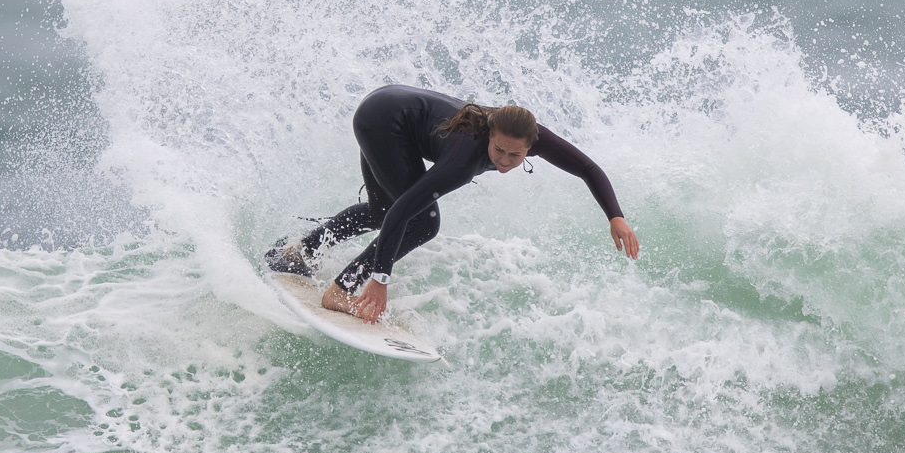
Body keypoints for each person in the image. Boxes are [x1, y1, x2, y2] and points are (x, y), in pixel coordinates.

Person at [267, 84, 639, 324]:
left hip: (388, 107)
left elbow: (588, 168)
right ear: (490, 133)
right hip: (383, 122)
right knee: (422, 222)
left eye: (516, 155)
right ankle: (342, 289)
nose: (504, 161)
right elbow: (404, 212)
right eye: (498, 150)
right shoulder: (463, 159)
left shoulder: (531, 136)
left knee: (382, 211)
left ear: (532, 146)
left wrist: (616, 217)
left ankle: (301, 251)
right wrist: (380, 280)